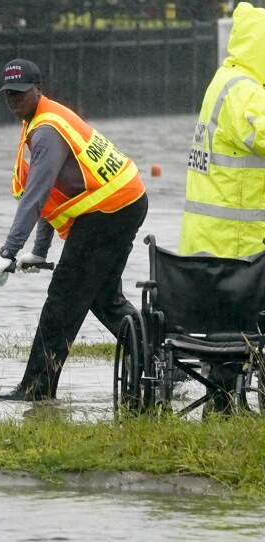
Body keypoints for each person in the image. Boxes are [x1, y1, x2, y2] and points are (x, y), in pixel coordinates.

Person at [0, 58, 148, 401]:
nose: (13, 99)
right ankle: (159, 361)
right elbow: (54, 197)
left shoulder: (46, 131)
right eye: (8, 94)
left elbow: (36, 194)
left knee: (63, 298)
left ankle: (36, 390)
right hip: (123, 203)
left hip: (111, 210)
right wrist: (39, 251)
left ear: (38, 90)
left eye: (20, 92)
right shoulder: (41, 119)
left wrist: (8, 252)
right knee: (103, 297)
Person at [179, 2, 265, 412]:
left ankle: (224, 399)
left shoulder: (224, 80)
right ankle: (227, 402)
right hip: (238, 241)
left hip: (207, 239)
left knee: (226, 329)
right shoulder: (246, 92)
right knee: (242, 323)